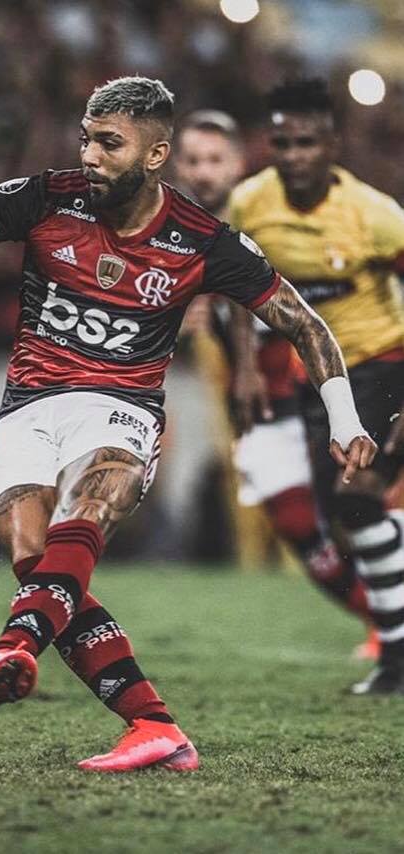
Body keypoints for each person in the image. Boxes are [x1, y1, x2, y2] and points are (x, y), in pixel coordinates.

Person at [0, 77, 376, 771]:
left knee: (91, 502)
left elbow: (304, 324)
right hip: (29, 406)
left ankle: (14, 646)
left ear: (155, 155)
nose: (89, 155)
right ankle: (154, 726)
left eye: (109, 143)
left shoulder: (203, 241)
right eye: (86, 138)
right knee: (37, 564)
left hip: (122, 408)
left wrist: (344, 419)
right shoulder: (46, 198)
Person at [228, 78, 404, 694]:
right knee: (343, 518)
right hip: (319, 377)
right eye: (283, 143)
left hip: (382, 360)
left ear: (333, 144)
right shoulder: (250, 203)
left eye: (306, 143)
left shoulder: (375, 216)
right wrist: (246, 365)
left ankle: (396, 661)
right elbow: (235, 288)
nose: (294, 156)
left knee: (357, 499)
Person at [175, 110, 374, 653]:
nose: (203, 171)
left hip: (324, 384)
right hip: (267, 405)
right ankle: (383, 624)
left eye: (215, 159)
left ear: (238, 163)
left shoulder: (274, 215)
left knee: (360, 505)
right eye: (193, 160)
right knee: (297, 523)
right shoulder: (171, 231)